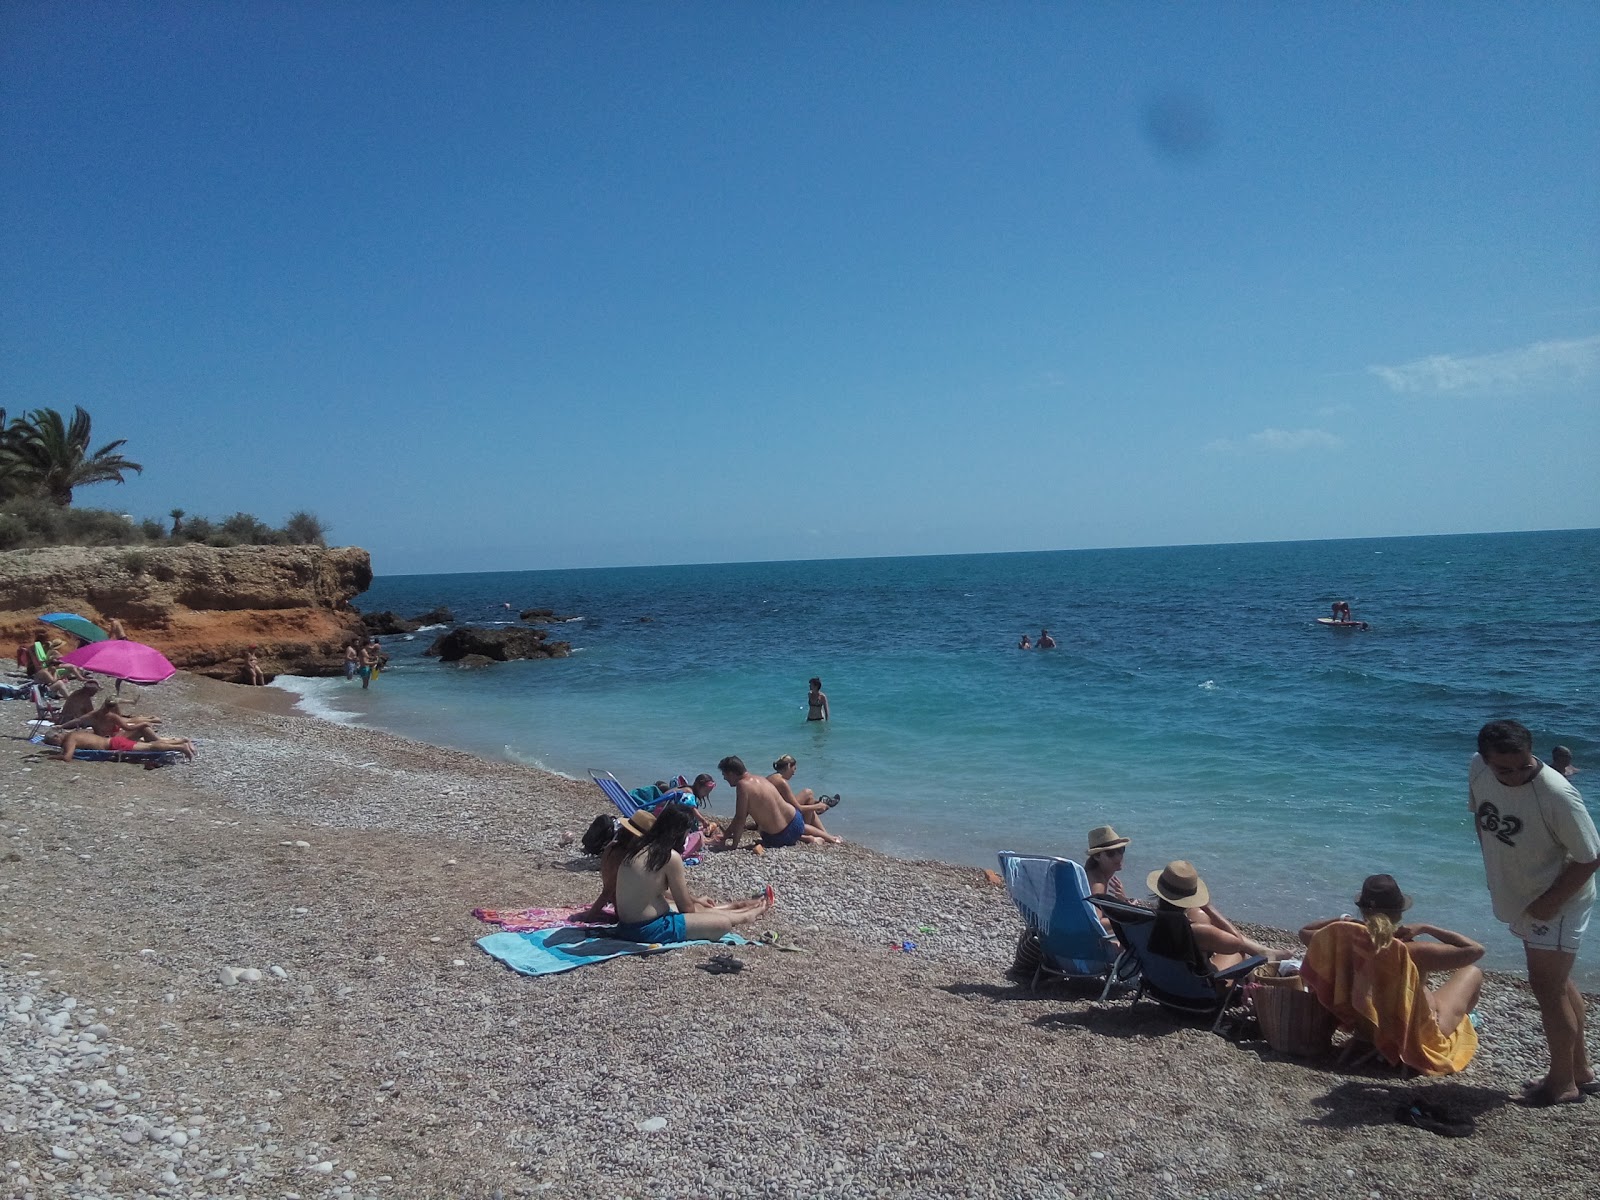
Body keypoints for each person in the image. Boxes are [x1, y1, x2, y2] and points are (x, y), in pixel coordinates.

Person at [1469, 719, 1599, 1106]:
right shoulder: (1478, 767)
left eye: (1523, 766)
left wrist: (1548, 903)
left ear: (1532, 754)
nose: (1514, 776)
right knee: (1555, 982)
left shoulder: (1558, 794)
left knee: (1547, 987)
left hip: (1558, 898)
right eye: (1504, 769)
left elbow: (1590, 857)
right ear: (1488, 760)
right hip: (1523, 893)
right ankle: (1580, 1071)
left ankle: (1561, 1085)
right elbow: (1482, 816)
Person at [1298, 873, 1484, 1071]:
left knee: (1422, 991)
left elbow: (1304, 932)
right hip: (1413, 1034)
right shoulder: (1410, 951)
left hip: (1368, 1026)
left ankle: (1374, 1040)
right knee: (1472, 973)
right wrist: (1426, 928)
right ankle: (1457, 1022)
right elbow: (1475, 950)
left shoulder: (1343, 940)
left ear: (1362, 909)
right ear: (1399, 912)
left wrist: (1345, 921)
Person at [613, 804, 773, 943]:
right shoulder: (669, 857)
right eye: (687, 832)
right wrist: (698, 906)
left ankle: (737, 907)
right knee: (722, 923)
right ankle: (747, 915)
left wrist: (698, 901)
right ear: (679, 832)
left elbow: (656, 890)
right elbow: (687, 909)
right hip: (648, 930)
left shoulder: (638, 850)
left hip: (625, 926)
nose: (687, 837)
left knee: (693, 906)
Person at [1146, 860, 1290, 970]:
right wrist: (1209, 908)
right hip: (1198, 996)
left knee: (1198, 913)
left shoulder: (1145, 919)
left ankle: (1264, 952)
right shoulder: (1194, 931)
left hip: (1161, 985)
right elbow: (1237, 943)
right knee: (1238, 953)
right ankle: (1263, 954)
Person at [715, 755, 822, 850]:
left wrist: (733, 845)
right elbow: (739, 817)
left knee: (762, 829)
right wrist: (726, 835)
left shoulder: (742, 785)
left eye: (725, 775)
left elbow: (740, 818)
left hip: (780, 837)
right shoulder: (761, 779)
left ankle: (815, 838)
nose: (725, 778)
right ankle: (826, 837)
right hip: (798, 822)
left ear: (731, 773)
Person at [768, 755, 843, 844]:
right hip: (777, 821)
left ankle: (824, 833)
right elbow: (798, 808)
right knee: (809, 797)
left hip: (771, 817)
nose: (794, 773)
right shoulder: (782, 782)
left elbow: (785, 801)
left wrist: (815, 805)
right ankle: (825, 835)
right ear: (788, 766)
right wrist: (816, 806)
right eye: (794, 768)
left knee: (809, 795)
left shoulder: (772, 777)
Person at [43, 728, 196, 762]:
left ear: (57, 736)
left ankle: (180, 747)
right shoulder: (75, 733)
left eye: (53, 742)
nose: (56, 744)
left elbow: (67, 757)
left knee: (149, 747)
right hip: (112, 741)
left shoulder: (69, 740)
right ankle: (182, 742)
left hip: (114, 744)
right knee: (149, 744)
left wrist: (53, 757)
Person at [1084, 825, 1131, 902]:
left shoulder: (1094, 875)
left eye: (1121, 850)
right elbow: (1095, 914)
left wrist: (1123, 900)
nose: (1118, 857)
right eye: (1111, 853)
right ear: (1097, 856)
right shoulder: (1097, 885)